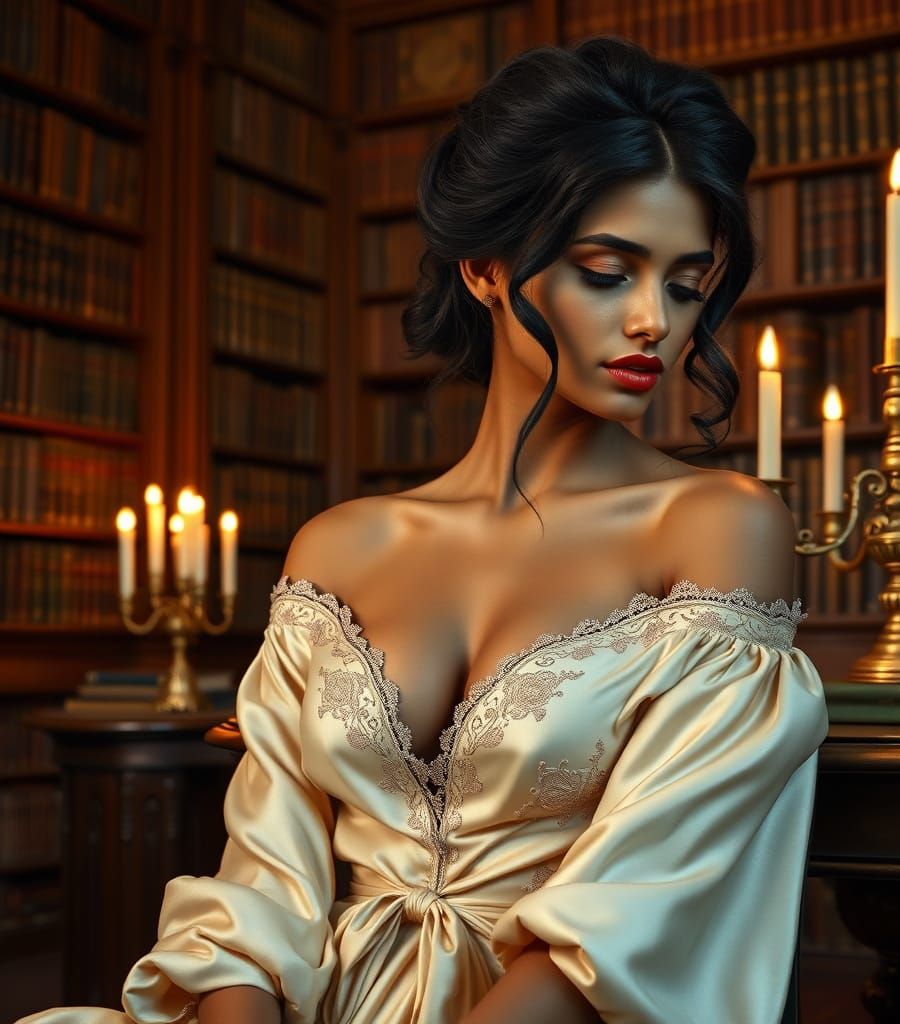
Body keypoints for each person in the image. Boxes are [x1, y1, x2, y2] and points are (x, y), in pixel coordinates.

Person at [18, 35, 829, 1024]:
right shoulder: (339, 548)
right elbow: (263, 881)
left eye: (684, 283)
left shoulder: (718, 529)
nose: (655, 321)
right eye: (608, 271)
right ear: (486, 271)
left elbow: (640, 911)